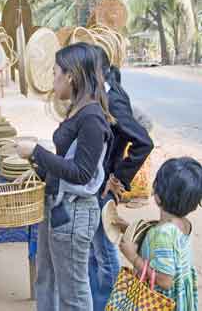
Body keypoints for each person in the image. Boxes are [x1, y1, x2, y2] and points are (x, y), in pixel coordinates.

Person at [16, 42, 113, 311]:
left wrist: (37, 151)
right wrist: (35, 163)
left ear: (70, 75)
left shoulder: (92, 117)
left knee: (74, 295)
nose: (53, 78)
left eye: (55, 71)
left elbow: (82, 173)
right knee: (47, 280)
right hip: (59, 208)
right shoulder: (78, 110)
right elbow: (65, 164)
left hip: (74, 213)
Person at [89, 45, 154, 310]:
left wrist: (118, 176)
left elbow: (143, 141)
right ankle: (95, 302)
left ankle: (110, 304)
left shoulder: (112, 98)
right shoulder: (102, 91)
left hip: (104, 186)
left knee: (104, 250)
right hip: (98, 180)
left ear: (92, 70)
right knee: (95, 250)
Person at [118, 157, 202, 311]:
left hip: (161, 301)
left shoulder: (162, 234)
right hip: (180, 296)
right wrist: (130, 229)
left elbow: (165, 280)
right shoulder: (183, 223)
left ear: (157, 195)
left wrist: (133, 257)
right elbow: (166, 249)